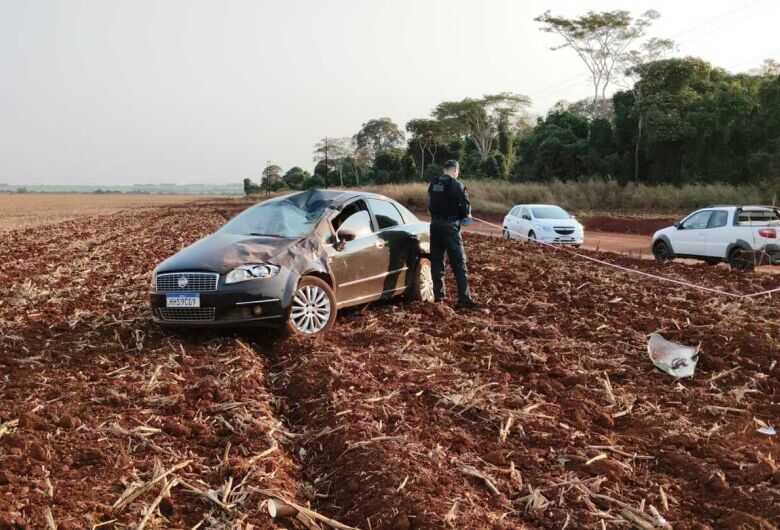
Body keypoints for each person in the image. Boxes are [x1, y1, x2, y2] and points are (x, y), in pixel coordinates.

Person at [427, 160, 478, 309]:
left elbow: (430, 206)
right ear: (455, 170)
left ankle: (439, 299)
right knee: (459, 264)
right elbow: (465, 214)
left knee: (437, 263)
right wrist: (467, 215)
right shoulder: (458, 186)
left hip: (435, 226)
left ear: (444, 170)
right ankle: (464, 299)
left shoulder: (433, 184)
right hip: (450, 228)